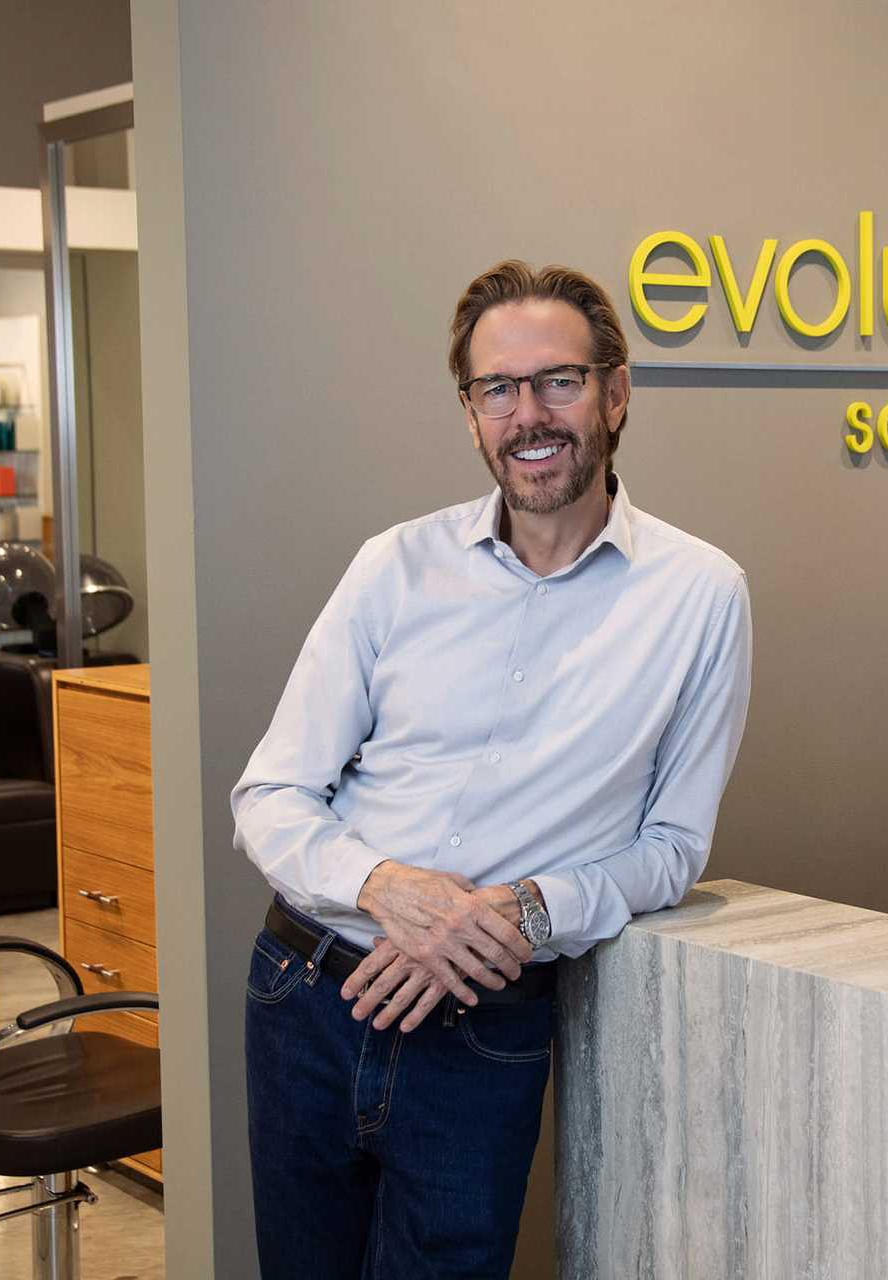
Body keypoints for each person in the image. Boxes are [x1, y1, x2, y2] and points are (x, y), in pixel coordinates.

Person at [232, 259, 753, 1278]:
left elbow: (672, 847)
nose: (530, 415)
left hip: (484, 1027)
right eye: (497, 389)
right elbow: (270, 794)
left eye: (558, 380)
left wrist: (519, 910)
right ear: (470, 412)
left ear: (616, 388)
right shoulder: (395, 565)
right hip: (307, 1000)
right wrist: (392, 889)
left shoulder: (700, 594)